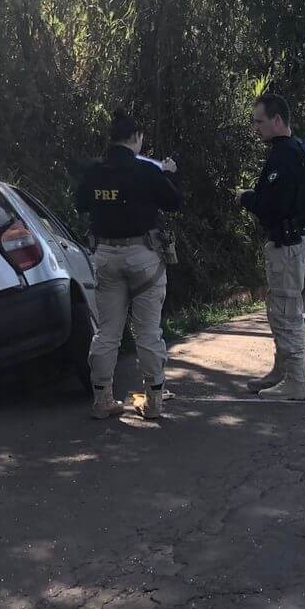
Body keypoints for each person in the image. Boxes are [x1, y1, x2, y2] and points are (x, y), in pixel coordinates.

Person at [75, 111, 181, 420]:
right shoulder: (145, 171)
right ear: (136, 138)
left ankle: (102, 399)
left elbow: (80, 203)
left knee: (107, 332)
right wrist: (170, 174)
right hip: (143, 256)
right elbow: (174, 202)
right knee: (147, 331)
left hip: (106, 255)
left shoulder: (95, 172)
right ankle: (154, 401)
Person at [238, 93, 305, 399]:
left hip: (288, 243)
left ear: (276, 120)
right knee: (279, 309)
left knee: (286, 311)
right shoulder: (304, 148)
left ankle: (296, 381)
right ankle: (282, 370)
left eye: (259, 122)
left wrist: (245, 197)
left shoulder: (283, 154)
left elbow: (269, 204)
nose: (256, 128)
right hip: (304, 236)